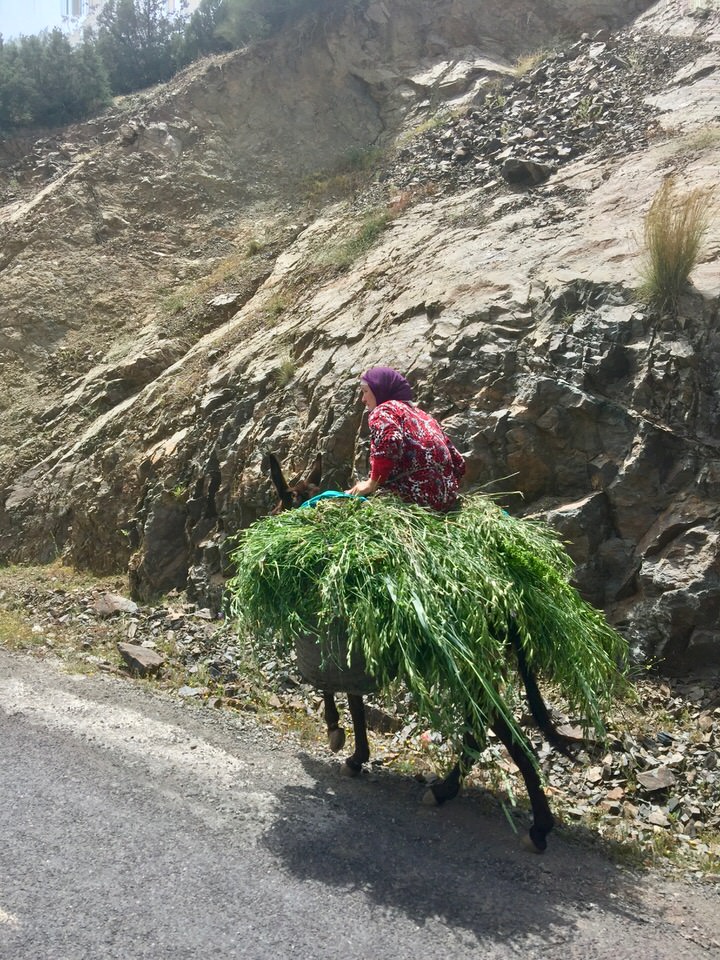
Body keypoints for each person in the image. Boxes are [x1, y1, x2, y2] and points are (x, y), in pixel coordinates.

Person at [346, 366, 466, 512]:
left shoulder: (384, 409)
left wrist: (372, 483)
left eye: (365, 391)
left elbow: (389, 439)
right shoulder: (424, 416)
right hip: (446, 499)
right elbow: (458, 461)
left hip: (413, 498)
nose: (363, 399)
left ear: (379, 389)